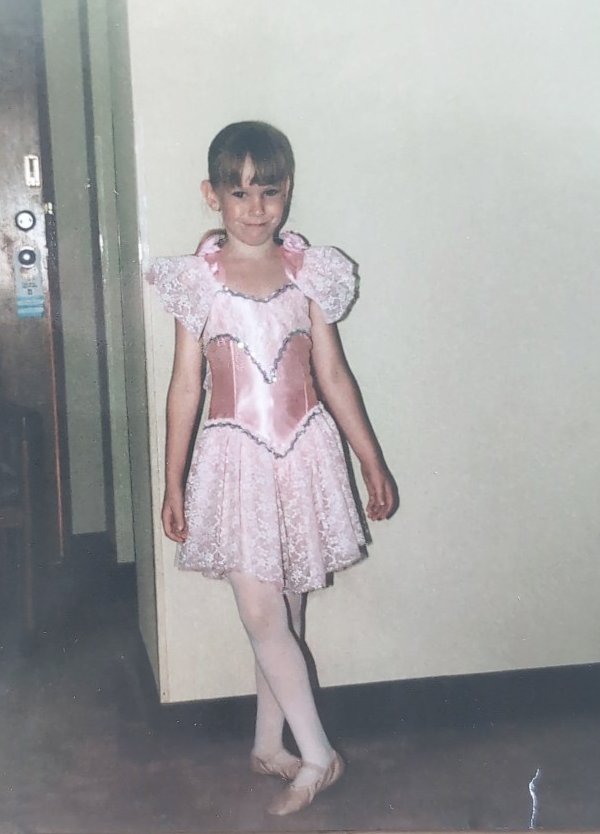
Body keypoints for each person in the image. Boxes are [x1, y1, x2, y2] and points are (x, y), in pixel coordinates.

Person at [148, 120, 397, 816]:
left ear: (288, 191)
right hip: (235, 459)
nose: (256, 208)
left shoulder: (307, 270)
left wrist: (370, 460)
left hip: (305, 454)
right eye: (239, 193)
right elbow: (186, 386)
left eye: (270, 191)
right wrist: (172, 480)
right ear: (212, 195)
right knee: (262, 612)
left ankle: (268, 744)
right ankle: (319, 756)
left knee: (284, 611)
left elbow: (333, 375)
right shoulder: (198, 280)